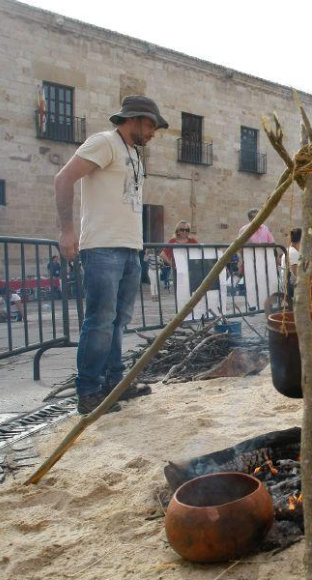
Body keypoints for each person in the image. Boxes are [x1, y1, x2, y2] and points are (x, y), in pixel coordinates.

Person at [54, 95, 167, 414]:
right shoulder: (103, 142)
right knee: (100, 321)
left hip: (131, 247)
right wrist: (66, 230)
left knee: (118, 322)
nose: (154, 133)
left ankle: (115, 384)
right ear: (134, 119)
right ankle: (89, 391)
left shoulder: (132, 152)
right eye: (152, 126)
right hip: (102, 246)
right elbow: (63, 179)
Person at [280, 228, 302, 296]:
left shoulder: (289, 250)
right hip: (291, 287)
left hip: (286, 284)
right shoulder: (294, 253)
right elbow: (296, 274)